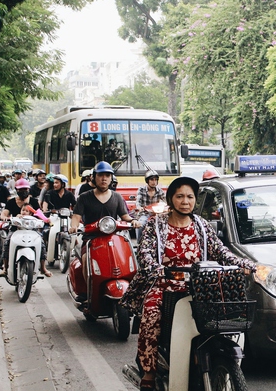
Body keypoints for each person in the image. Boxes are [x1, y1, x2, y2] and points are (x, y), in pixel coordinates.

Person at [119, 176, 257, 391]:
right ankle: (149, 370)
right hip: (164, 284)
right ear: (171, 199)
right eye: (180, 196)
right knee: (151, 314)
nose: (185, 201)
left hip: (200, 285)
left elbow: (221, 252)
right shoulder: (155, 225)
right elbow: (144, 253)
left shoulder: (202, 225)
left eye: (190, 197)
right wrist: (157, 269)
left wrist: (248, 265)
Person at [69, 161, 141, 290]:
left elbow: (125, 216)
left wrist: (133, 221)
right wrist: (74, 226)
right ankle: (89, 293)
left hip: (113, 238)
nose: (104, 178)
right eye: (101, 175)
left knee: (128, 260)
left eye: (107, 175)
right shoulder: (84, 197)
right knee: (86, 261)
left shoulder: (117, 197)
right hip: (91, 239)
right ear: (94, 177)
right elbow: (76, 217)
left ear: (111, 178)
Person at [0, 179, 51, 277]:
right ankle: (5, 268)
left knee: (42, 243)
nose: (23, 191)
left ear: (28, 189)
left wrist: (46, 220)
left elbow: (40, 214)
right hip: (15, 230)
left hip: (32, 230)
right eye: (21, 189)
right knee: (7, 243)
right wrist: (5, 217)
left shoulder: (34, 202)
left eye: (25, 189)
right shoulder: (11, 202)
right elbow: (4, 213)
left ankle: (43, 268)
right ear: (16, 190)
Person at [135, 170, 166, 240]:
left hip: (156, 214)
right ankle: (139, 243)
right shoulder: (141, 190)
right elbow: (138, 201)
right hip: (144, 213)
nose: (154, 182)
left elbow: (166, 200)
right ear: (147, 181)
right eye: (151, 179)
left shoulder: (159, 191)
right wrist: (139, 207)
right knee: (140, 225)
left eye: (155, 180)